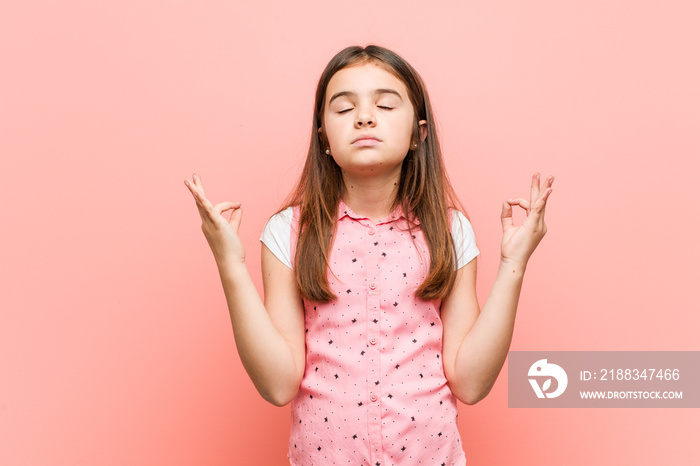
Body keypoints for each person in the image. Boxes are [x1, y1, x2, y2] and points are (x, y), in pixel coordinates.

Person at [184, 45, 553, 466]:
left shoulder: (450, 232)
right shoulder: (288, 231)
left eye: (384, 104)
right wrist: (230, 265)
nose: (363, 117)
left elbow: (470, 383)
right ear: (323, 136)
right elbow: (278, 384)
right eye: (343, 109)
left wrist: (513, 266)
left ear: (420, 133)